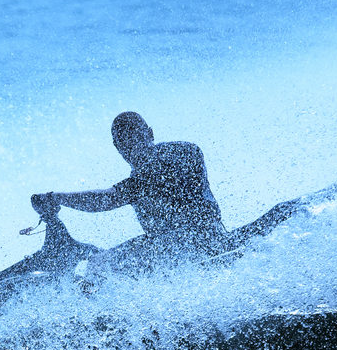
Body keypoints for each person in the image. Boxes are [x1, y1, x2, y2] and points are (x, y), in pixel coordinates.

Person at [31, 111, 230, 274]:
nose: (132, 148)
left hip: (197, 241)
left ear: (150, 134)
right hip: (179, 244)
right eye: (124, 143)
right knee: (97, 259)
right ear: (117, 147)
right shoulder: (143, 176)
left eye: (136, 138)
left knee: (99, 265)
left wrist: (56, 198)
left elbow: (106, 199)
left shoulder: (184, 153)